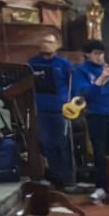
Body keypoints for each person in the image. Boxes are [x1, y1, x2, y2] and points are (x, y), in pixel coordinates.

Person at [74, 39, 109, 202]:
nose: (100, 57)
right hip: (95, 114)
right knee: (99, 152)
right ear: (87, 54)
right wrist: (100, 80)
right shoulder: (81, 71)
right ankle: (100, 186)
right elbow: (84, 94)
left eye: (102, 54)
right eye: (96, 54)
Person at [28, 32, 75, 187]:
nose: (45, 44)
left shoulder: (64, 64)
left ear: (57, 45)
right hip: (41, 109)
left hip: (61, 110)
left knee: (63, 144)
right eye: (43, 41)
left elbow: (72, 87)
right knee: (47, 144)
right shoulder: (32, 63)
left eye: (49, 41)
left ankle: (67, 178)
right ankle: (54, 177)